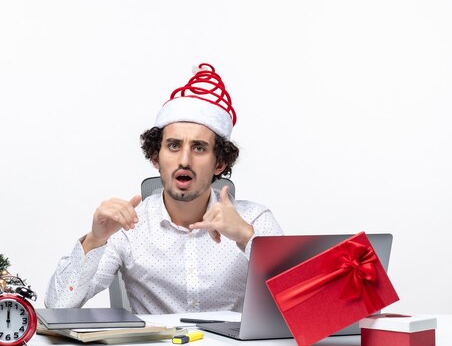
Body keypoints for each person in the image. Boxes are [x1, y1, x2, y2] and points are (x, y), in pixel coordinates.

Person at [45, 63, 283, 314]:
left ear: (219, 163)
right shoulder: (126, 228)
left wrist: (247, 237)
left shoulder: (256, 220)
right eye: (173, 146)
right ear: (155, 158)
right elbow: (58, 307)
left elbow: (305, 306)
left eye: (199, 148)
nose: (185, 160)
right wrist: (95, 239)